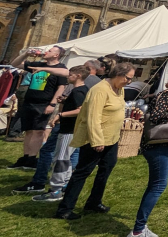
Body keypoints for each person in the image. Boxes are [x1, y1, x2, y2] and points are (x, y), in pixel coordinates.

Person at [55, 62, 134, 220]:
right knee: (83, 171)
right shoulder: (99, 90)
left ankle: (94, 202)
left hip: (112, 138)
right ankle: (65, 209)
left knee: (106, 169)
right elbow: (92, 117)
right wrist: (97, 140)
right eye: (127, 77)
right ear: (117, 74)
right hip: (96, 138)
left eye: (131, 78)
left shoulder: (120, 89)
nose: (129, 81)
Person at [124, 71, 168, 237]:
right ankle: (137, 232)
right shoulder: (166, 97)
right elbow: (156, 117)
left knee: (154, 186)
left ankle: (142, 226)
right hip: (156, 147)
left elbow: (167, 128)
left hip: (161, 146)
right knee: (158, 187)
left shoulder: (166, 96)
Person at [32, 65, 90, 202]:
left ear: (78, 76)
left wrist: (61, 114)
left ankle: (55, 190)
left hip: (69, 131)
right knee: (66, 160)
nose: (68, 76)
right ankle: (64, 186)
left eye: (70, 74)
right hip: (72, 130)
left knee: (61, 160)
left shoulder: (78, 91)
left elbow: (80, 110)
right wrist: (65, 101)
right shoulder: (82, 90)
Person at [8, 47, 69, 170]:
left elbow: (61, 87)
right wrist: (25, 54)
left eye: (50, 51)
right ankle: (25, 157)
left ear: (56, 55)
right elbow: (14, 64)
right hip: (29, 102)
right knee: (29, 130)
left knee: (38, 131)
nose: (46, 52)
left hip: (44, 103)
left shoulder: (60, 69)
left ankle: (32, 159)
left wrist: (52, 104)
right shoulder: (38, 64)